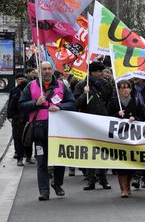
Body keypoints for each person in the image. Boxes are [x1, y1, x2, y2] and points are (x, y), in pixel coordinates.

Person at [19, 61, 76, 201]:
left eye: (49, 69)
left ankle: (57, 184)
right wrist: (35, 103)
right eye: (43, 69)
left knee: (60, 160)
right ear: (39, 71)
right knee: (41, 161)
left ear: (52, 70)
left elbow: (72, 103)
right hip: (39, 130)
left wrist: (60, 107)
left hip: (58, 129)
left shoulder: (62, 86)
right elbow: (21, 105)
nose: (46, 71)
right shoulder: (31, 86)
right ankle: (44, 192)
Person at [74, 61, 113, 190]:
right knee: (89, 151)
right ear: (93, 72)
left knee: (103, 151)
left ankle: (103, 178)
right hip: (88, 121)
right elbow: (76, 104)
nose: (102, 73)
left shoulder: (105, 84)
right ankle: (90, 179)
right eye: (99, 71)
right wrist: (85, 94)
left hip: (103, 121)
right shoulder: (81, 85)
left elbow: (111, 99)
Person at [108, 80, 141, 197]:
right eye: (122, 88)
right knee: (121, 163)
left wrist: (134, 117)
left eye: (127, 88)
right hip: (118, 137)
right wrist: (117, 114)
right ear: (118, 90)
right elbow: (106, 118)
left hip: (132, 136)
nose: (125, 90)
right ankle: (124, 189)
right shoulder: (113, 102)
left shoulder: (135, 101)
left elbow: (141, 116)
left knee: (130, 163)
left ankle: (128, 185)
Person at [7, 73, 33, 166]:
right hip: (18, 120)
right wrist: (11, 116)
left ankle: (29, 156)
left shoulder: (30, 92)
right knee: (18, 139)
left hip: (28, 119)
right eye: (19, 79)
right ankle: (19, 157)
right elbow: (10, 105)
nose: (20, 81)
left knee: (29, 138)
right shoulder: (14, 91)